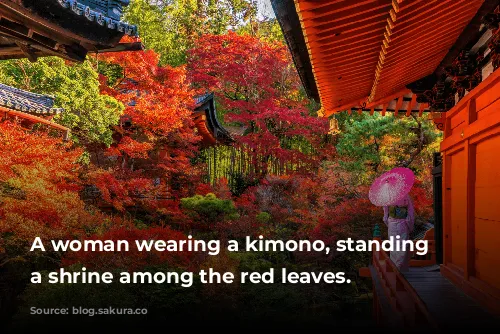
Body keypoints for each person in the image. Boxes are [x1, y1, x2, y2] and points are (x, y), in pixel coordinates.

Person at [382, 194, 415, 272]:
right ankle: (399, 265)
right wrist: (410, 226)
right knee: (402, 245)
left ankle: (395, 266)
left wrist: (388, 223)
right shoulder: (406, 195)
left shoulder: (388, 196)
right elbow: (410, 212)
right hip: (403, 223)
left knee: (393, 245)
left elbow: (385, 216)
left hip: (392, 223)